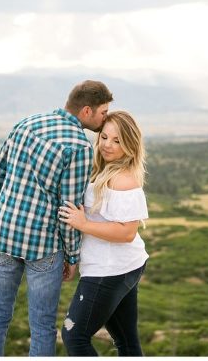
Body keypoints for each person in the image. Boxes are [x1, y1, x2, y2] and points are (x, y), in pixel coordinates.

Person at [0, 80, 113, 357]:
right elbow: (69, 209)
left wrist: (3, 215)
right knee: (42, 326)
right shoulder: (78, 146)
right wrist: (72, 257)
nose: (105, 118)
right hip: (44, 249)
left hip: (2, 237)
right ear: (87, 111)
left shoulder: (26, 124)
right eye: (103, 112)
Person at [58, 110, 149, 356]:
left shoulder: (123, 180)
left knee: (74, 336)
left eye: (117, 140)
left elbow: (127, 232)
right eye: (104, 137)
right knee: (126, 341)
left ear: (130, 144)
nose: (107, 145)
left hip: (110, 270)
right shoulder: (103, 170)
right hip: (122, 266)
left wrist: (82, 223)